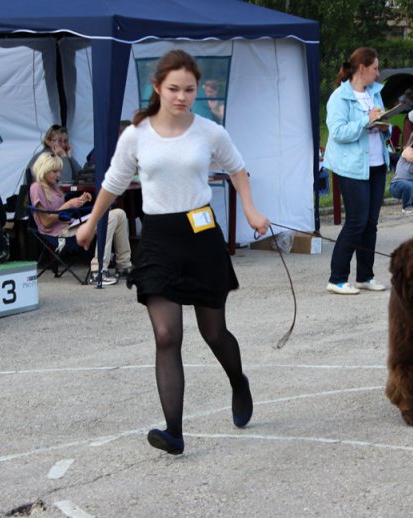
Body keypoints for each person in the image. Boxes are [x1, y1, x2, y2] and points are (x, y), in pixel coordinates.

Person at [76, 50, 269, 455]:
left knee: (213, 332)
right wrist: (92, 222)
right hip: (160, 238)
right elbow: (114, 180)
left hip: (201, 236)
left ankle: (238, 381)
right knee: (167, 335)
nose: (182, 97)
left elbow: (237, 169)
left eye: (189, 90)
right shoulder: (137, 134)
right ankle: (174, 433)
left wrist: (250, 208)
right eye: (174, 89)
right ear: (158, 88)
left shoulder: (209, 132)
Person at [323, 46, 390, 296]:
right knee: (356, 221)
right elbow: (338, 132)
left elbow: (383, 124)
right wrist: (366, 121)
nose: (378, 73)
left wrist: (385, 127)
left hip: (376, 164)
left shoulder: (375, 93)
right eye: (375, 68)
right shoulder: (339, 97)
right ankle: (337, 278)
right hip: (351, 167)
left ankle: (365, 276)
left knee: (371, 223)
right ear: (362, 68)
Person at [30, 152, 131, 286]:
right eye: (54, 171)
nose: (58, 175)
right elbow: (46, 222)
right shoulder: (36, 187)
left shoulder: (55, 187)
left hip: (69, 225)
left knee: (119, 213)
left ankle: (123, 265)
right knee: (109, 217)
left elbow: (62, 212)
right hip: (58, 234)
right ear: (43, 170)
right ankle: (98, 270)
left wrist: (78, 201)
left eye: (58, 171)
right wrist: (68, 205)